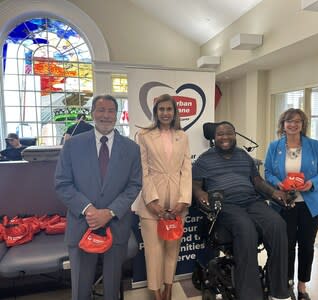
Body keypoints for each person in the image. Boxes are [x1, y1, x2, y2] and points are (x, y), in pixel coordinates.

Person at [55, 94, 142, 300]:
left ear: (117, 115)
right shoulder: (72, 145)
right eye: (101, 110)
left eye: (111, 111)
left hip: (116, 225)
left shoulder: (132, 149)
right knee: (81, 287)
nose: (106, 115)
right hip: (82, 223)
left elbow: (134, 185)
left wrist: (110, 212)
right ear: (93, 113)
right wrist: (89, 210)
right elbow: (62, 183)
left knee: (112, 287)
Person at [192, 121, 292, 300]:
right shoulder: (204, 160)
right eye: (220, 134)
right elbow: (195, 185)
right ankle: (249, 295)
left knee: (278, 224)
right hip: (226, 205)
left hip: (252, 201)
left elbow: (257, 181)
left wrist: (274, 192)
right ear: (214, 138)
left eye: (228, 133)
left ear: (235, 135)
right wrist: (201, 194)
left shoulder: (243, 156)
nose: (225, 137)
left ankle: (278, 289)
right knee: (246, 229)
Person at [264, 108, 318, 300]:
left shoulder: (315, 146)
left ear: (303, 125)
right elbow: (267, 171)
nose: (293, 125)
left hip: (311, 205)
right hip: (283, 204)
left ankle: (302, 286)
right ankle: (287, 283)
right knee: (286, 246)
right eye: (289, 121)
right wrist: (278, 183)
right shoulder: (274, 146)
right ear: (282, 124)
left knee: (306, 245)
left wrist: (312, 184)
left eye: (297, 121)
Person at [132, 94, 192, 300]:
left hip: (177, 201)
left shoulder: (182, 136)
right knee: (154, 252)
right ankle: (156, 293)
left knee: (172, 251)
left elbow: (187, 168)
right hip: (152, 200)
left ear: (175, 112)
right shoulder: (144, 135)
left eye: (169, 109)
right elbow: (143, 170)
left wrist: (184, 199)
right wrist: (152, 201)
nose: (165, 113)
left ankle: (168, 289)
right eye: (161, 109)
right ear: (156, 112)